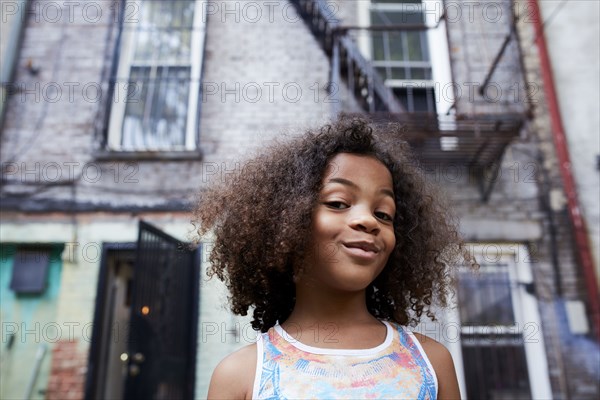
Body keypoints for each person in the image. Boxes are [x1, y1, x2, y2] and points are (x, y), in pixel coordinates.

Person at [194, 117, 476, 399]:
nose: (368, 220)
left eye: (383, 214)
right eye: (337, 203)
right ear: (285, 220)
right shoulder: (240, 375)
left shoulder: (432, 364)